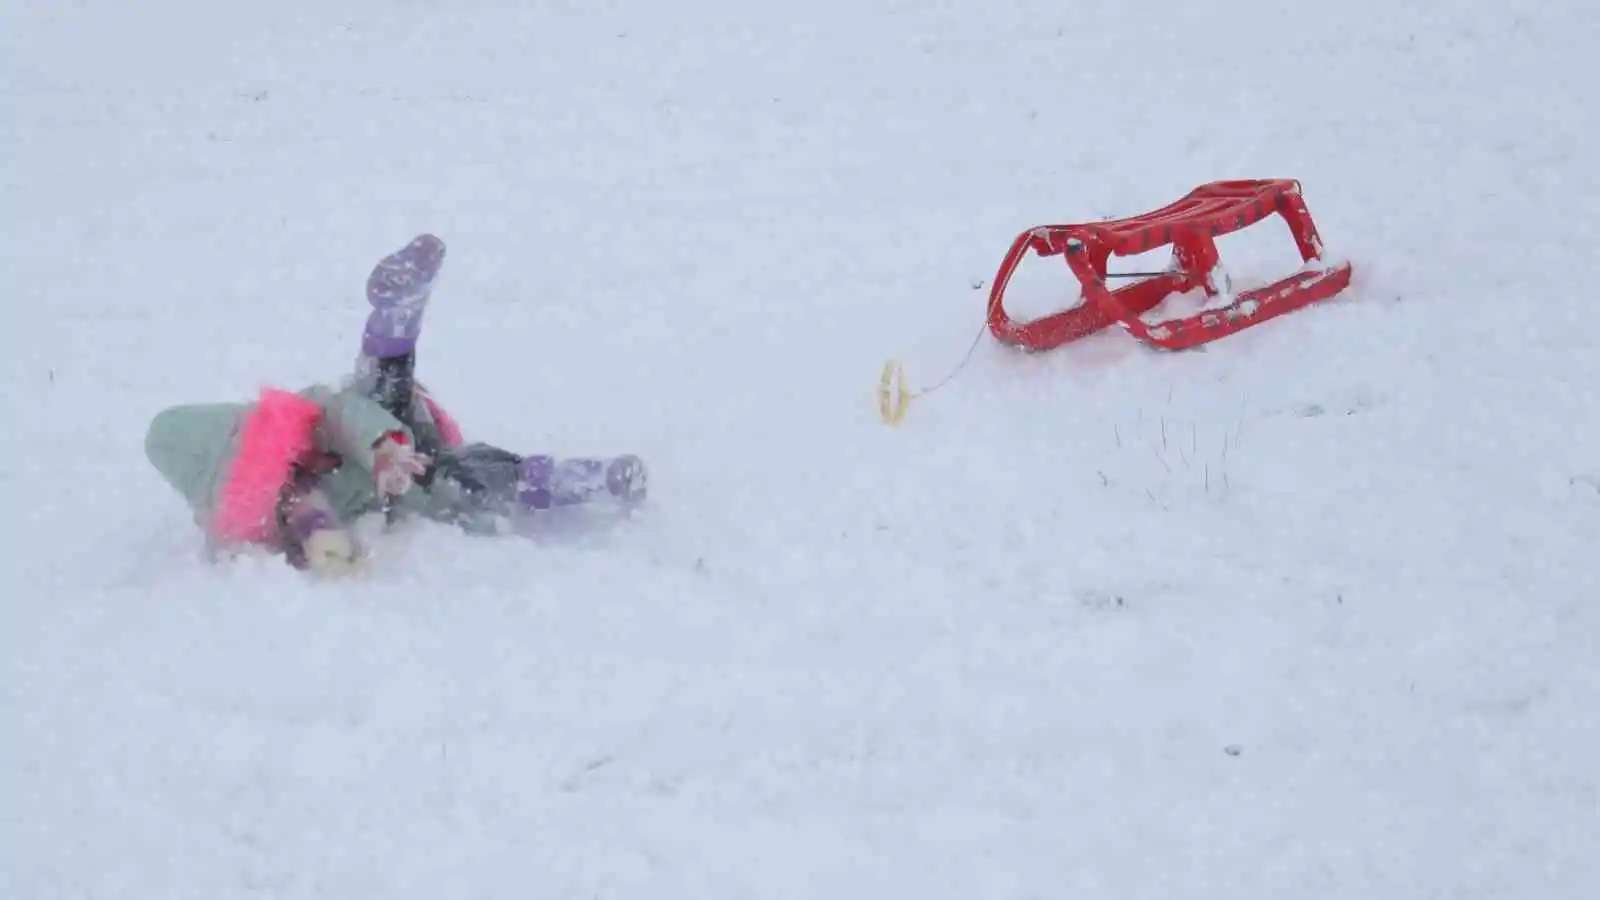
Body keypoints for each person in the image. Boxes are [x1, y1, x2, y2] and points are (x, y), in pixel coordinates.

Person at [143, 234, 648, 575]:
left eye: (280, 476)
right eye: (275, 497)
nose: (292, 495)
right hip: (417, 477)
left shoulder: (311, 420)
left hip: (393, 434)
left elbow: (345, 411)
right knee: (467, 480)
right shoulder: (283, 521)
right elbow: (316, 535)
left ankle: (396, 316)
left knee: (380, 388)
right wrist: (324, 545)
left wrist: (384, 447)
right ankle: (575, 479)